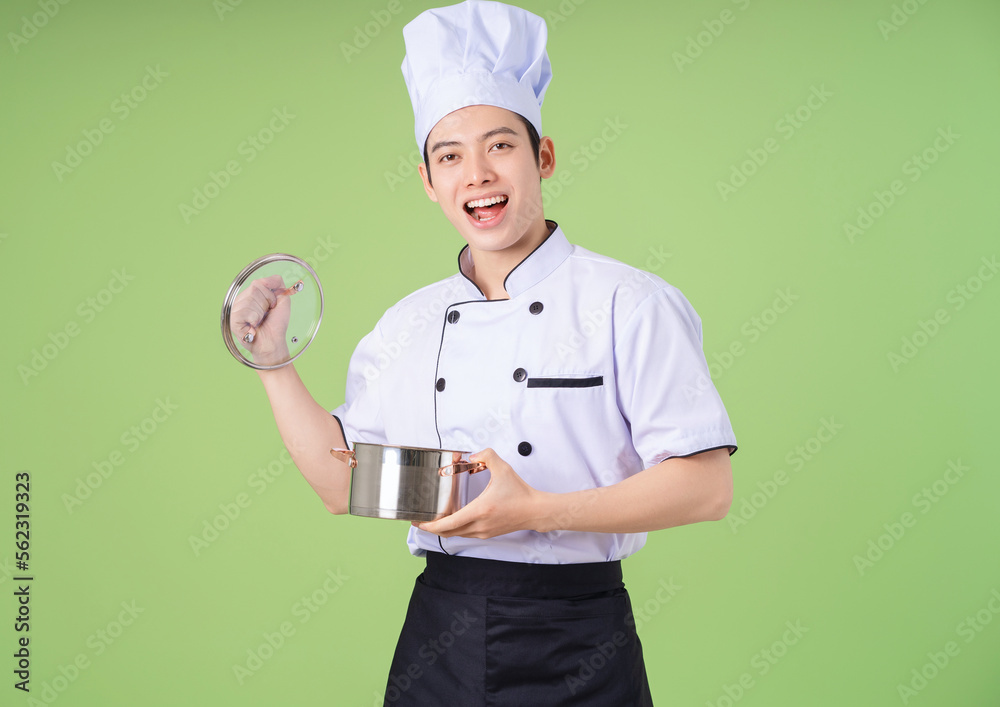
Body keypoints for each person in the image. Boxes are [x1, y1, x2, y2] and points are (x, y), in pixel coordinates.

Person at [234, 1, 737, 704]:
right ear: (428, 181)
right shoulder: (408, 324)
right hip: (442, 634)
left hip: (582, 635)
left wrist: (535, 509)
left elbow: (706, 487)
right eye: (450, 155)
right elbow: (339, 482)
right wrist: (273, 361)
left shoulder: (631, 303)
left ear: (544, 156)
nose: (476, 173)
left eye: (500, 145)